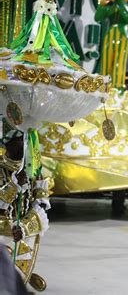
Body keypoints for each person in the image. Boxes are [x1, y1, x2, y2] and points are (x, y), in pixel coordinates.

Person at [0, 121, 50, 292]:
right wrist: (13, 186)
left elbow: (42, 204)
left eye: (27, 140)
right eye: (21, 140)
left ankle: (22, 278)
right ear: (9, 143)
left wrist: (24, 228)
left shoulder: (34, 170)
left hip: (23, 235)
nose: (25, 145)